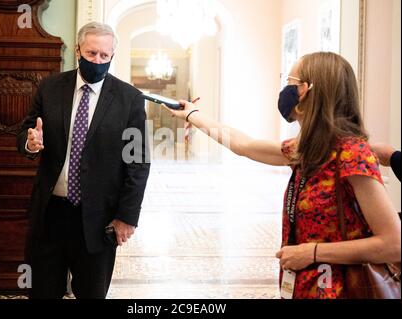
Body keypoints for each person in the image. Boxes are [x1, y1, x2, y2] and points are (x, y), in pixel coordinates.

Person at [166, 52, 401, 299]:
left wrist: (312, 253)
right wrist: (193, 114)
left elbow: (393, 243)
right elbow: (243, 145)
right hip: (305, 287)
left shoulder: (353, 154)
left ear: (307, 91)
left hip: (342, 290)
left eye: (290, 80)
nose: (285, 89)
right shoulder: (308, 149)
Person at [17, 22, 150, 299]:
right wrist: (30, 143)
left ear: (113, 55)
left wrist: (127, 216)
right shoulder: (50, 87)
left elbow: (138, 163)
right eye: (91, 54)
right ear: (78, 50)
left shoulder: (130, 99)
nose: (98, 61)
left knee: (92, 294)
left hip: (99, 219)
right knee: (41, 292)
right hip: (50, 214)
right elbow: (28, 132)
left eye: (105, 56)